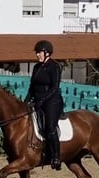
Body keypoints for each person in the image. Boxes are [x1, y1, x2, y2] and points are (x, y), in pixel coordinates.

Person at [24, 40, 64, 171]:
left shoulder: (55, 67)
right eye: (36, 53)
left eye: (39, 52)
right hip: (37, 101)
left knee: (50, 127)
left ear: (47, 53)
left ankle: (56, 157)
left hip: (52, 102)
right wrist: (25, 102)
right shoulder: (36, 67)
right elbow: (32, 87)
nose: (37, 55)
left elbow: (54, 88)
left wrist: (42, 100)